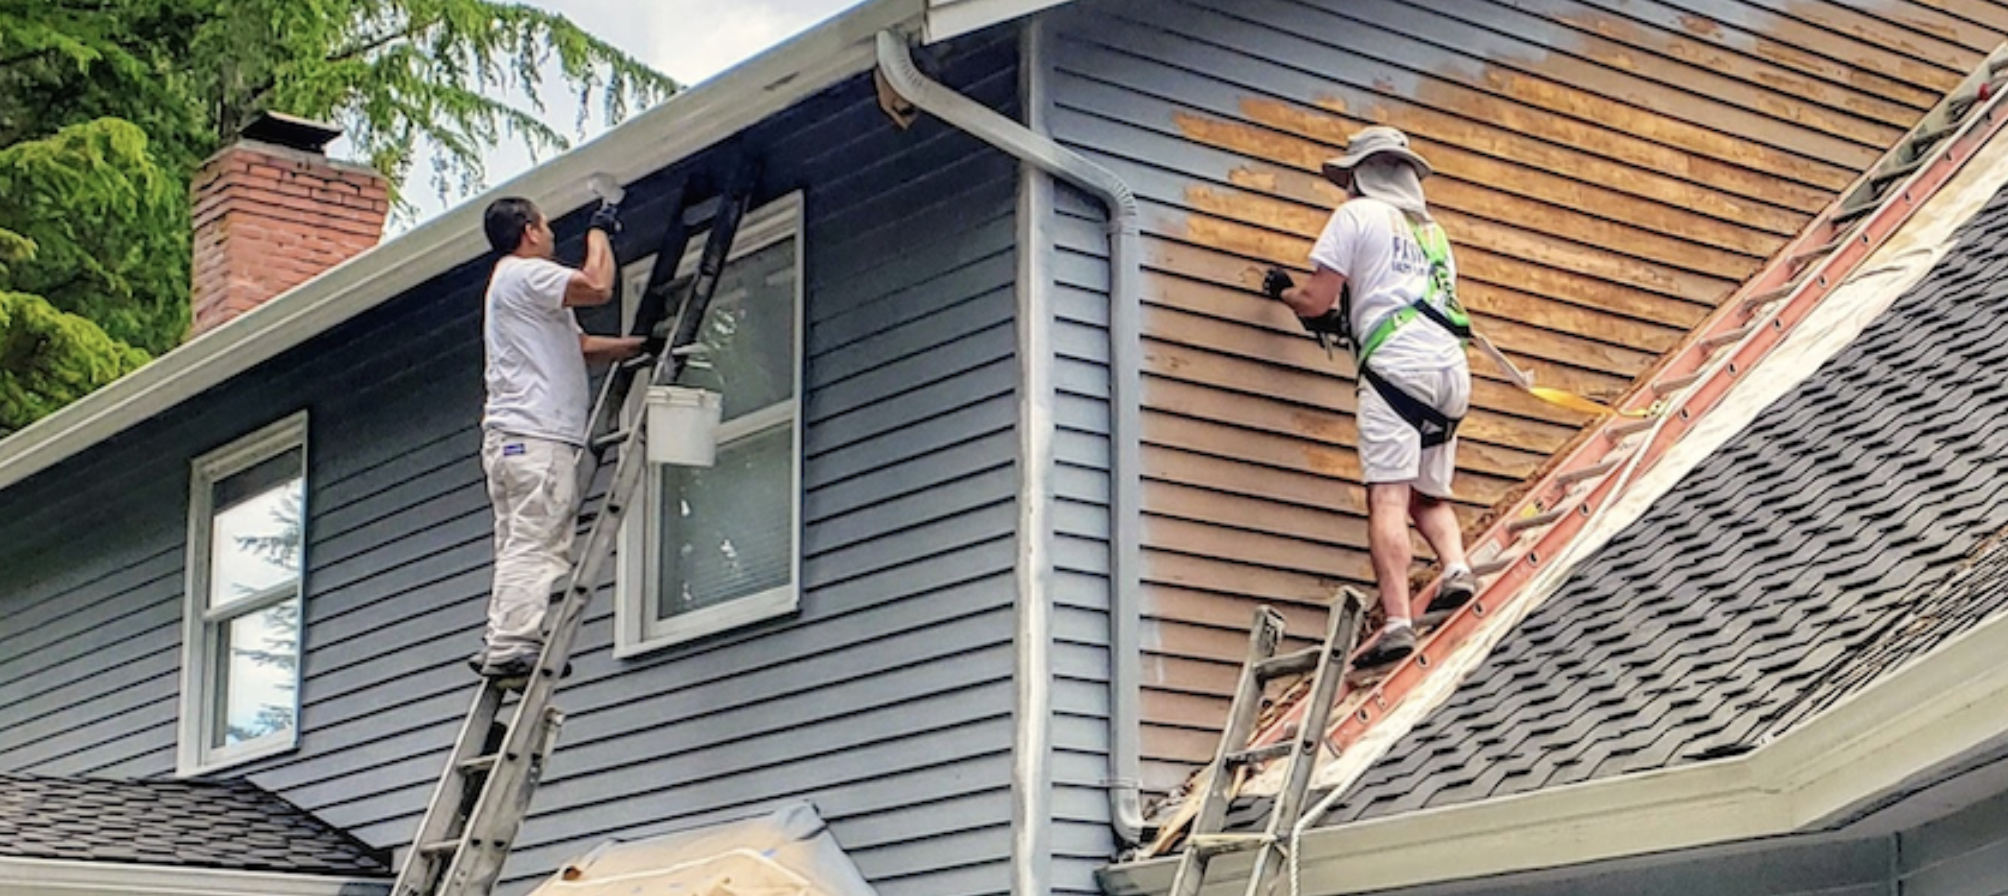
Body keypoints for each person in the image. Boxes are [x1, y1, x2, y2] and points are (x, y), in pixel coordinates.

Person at [1264, 126, 1478, 669]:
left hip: (1395, 368)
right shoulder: (1435, 235)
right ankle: (1456, 569)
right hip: (1449, 372)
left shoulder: (1355, 217)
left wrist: (1284, 292)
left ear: (1360, 176)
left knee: (1386, 498)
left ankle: (1399, 623)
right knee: (1428, 495)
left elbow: (1316, 300)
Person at [472, 196, 645, 678]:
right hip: (536, 435)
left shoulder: (517, 287)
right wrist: (599, 231)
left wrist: (640, 345)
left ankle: (500, 637)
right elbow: (597, 286)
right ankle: (511, 646)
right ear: (529, 230)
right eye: (546, 225)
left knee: (518, 544)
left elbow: (580, 347)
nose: (551, 234)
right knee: (537, 542)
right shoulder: (525, 274)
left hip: (513, 438)